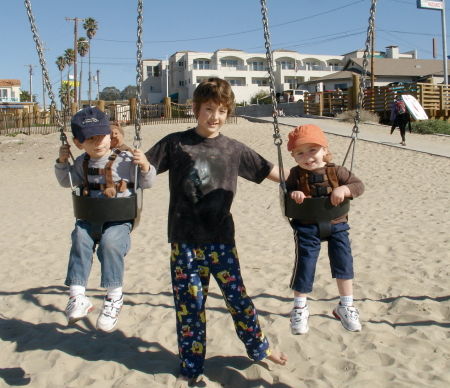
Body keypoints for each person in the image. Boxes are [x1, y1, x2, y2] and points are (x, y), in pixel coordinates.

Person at [145, 77, 288, 386]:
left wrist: (306, 178)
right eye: (209, 109)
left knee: (238, 300)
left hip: (221, 240)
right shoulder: (175, 143)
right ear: (195, 109)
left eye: (222, 110)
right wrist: (119, 156)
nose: (215, 116)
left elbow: (271, 172)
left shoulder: (233, 149)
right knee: (190, 307)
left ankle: (259, 348)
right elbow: (143, 166)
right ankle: (192, 365)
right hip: (184, 240)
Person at [55, 107, 156, 331]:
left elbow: (147, 183)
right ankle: (77, 295)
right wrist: (62, 163)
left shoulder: (126, 159)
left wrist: (145, 165)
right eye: (90, 139)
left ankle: (114, 297)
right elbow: (66, 182)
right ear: (78, 143)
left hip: (120, 218)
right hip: (90, 215)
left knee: (110, 244)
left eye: (101, 137)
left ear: (110, 135)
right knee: (79, 238)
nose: (98, 143)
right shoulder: (82, 162)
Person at [284, 124, 364, 335]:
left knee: (343, 261)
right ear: (294, 157)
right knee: (305, 264)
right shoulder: (295, 174)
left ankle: (346, 305)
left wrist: (344, 189)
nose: (307, 156)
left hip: (337, 225)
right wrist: (294, 194)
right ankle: (299, 308)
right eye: (300, 153)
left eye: (313, 150)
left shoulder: (337, 171)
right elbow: (287, 192)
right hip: (307, 227)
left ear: (325, 150)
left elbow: (358, 186)